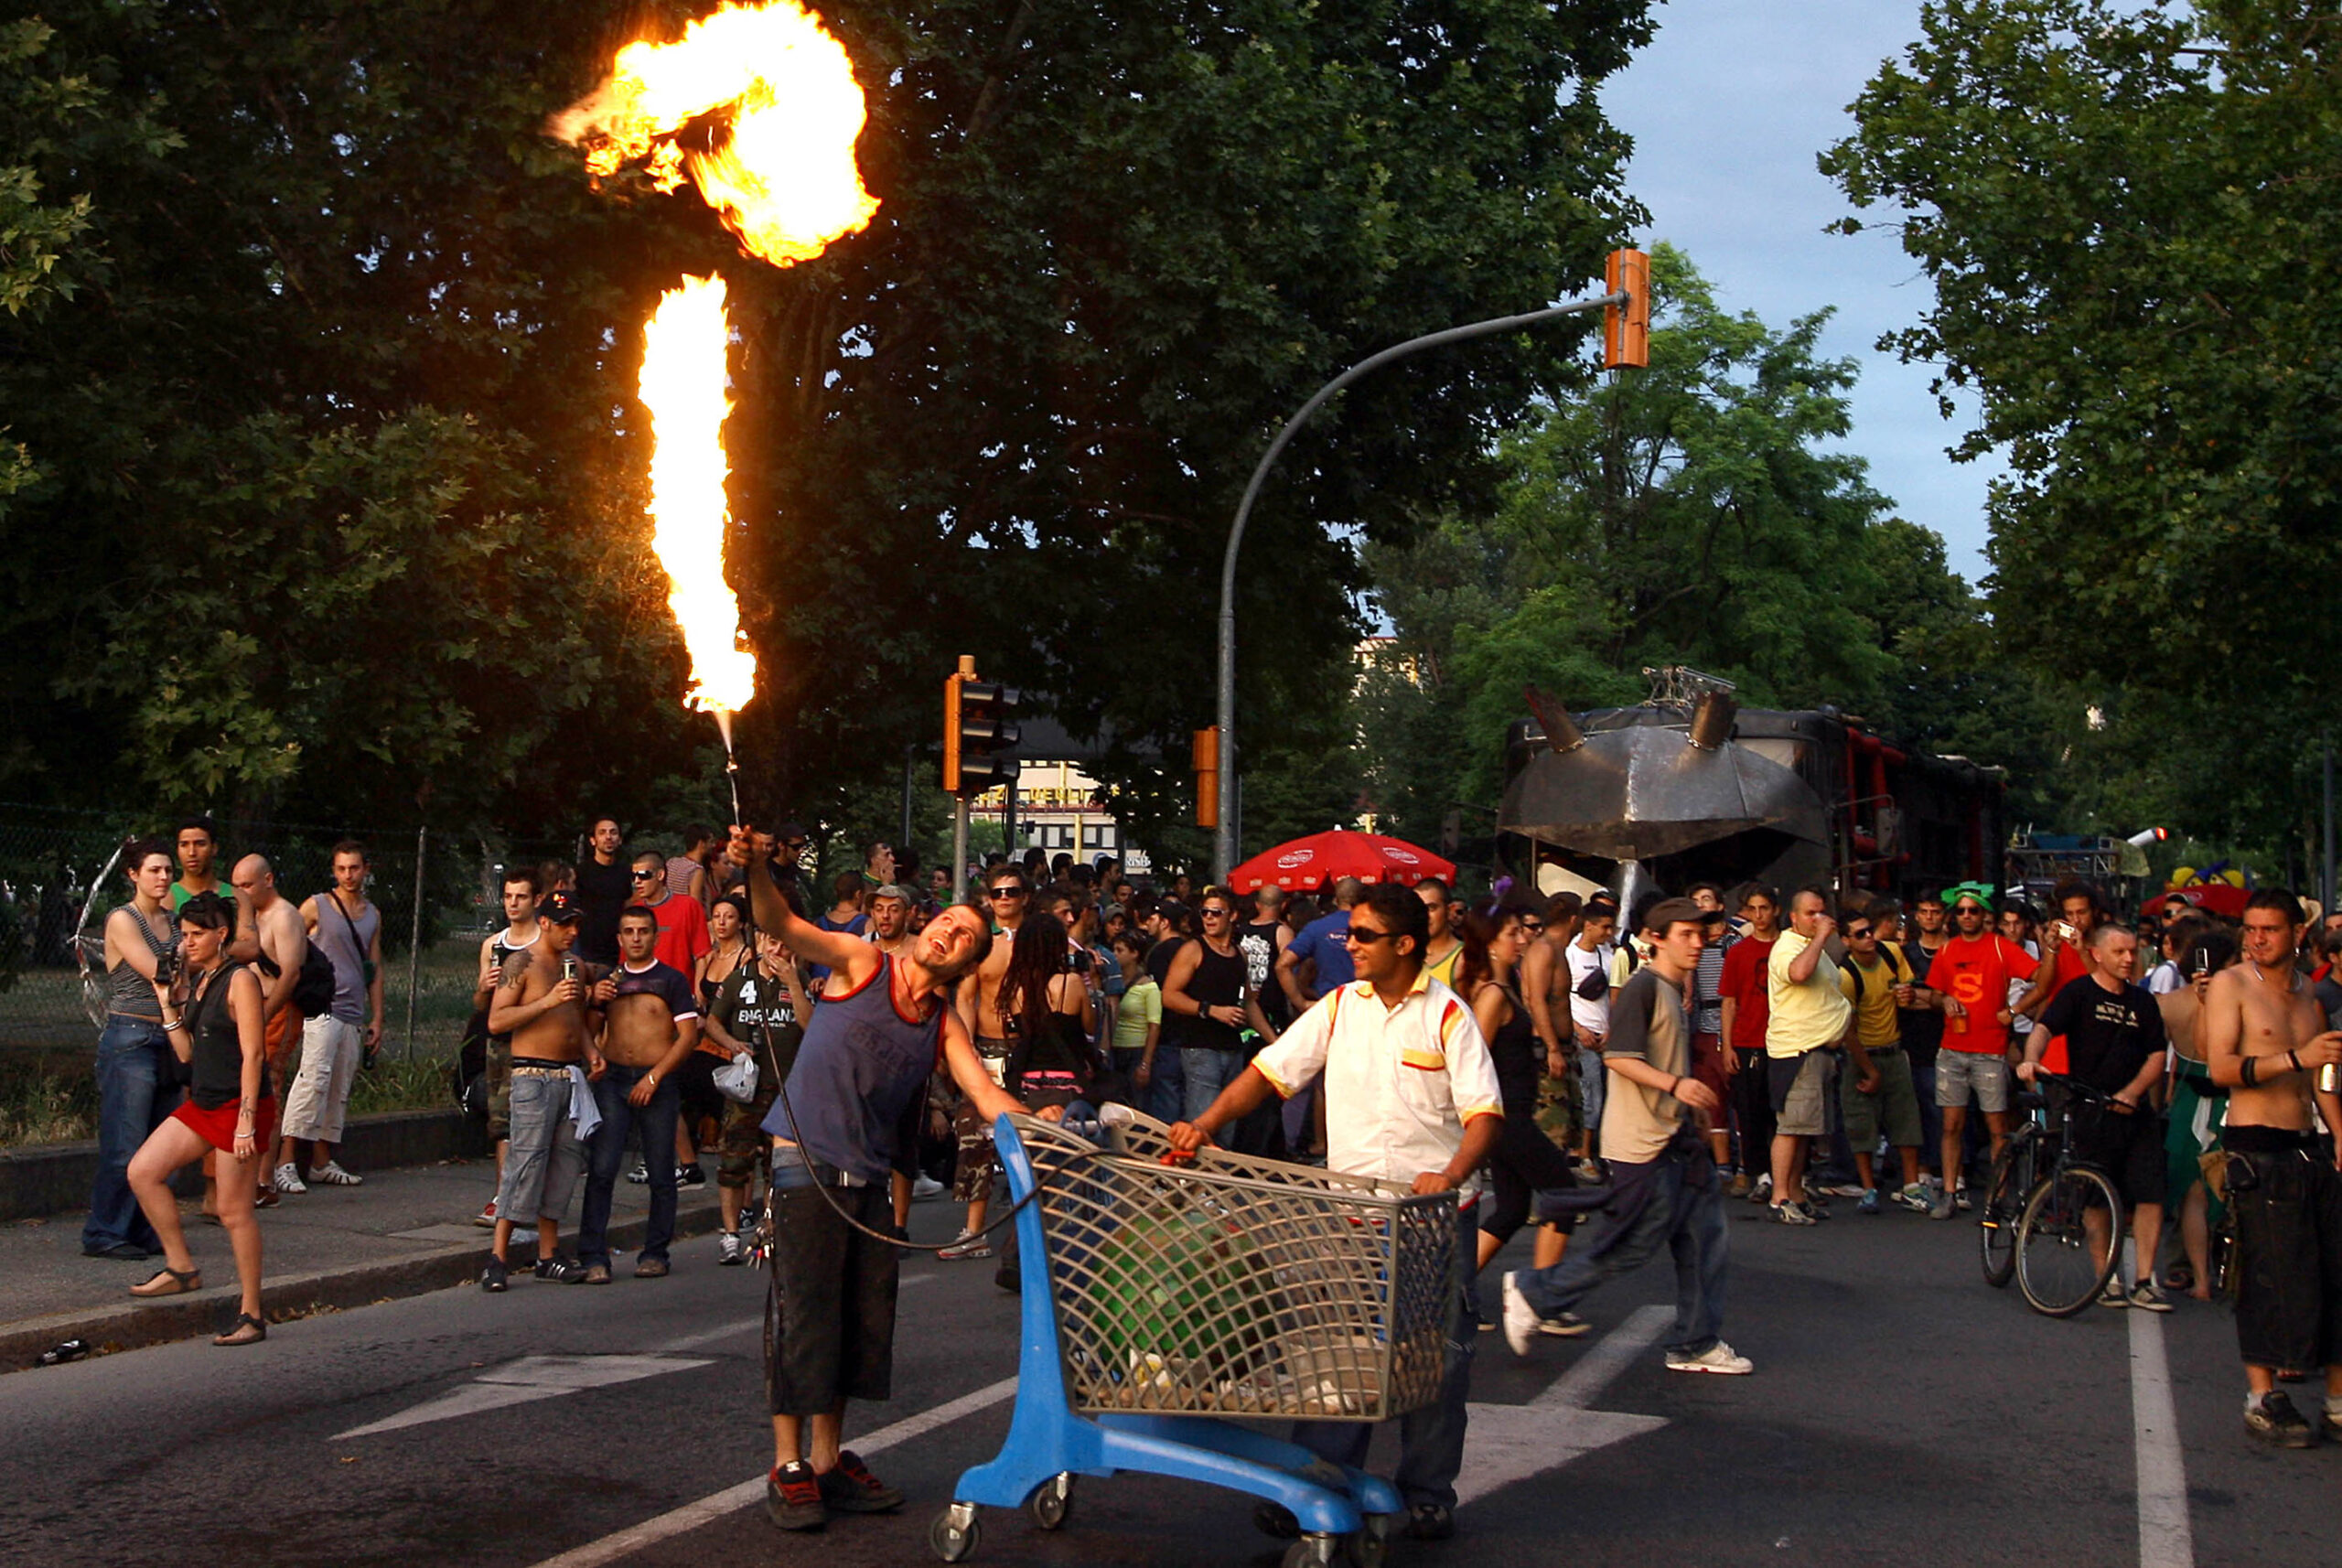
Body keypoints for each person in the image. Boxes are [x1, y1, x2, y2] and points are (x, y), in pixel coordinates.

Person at [1171, 885, 1502, 1541]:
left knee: (1436, 1357)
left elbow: (1484, 1115)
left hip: (1432, 1216)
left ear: (1403, 945)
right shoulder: (1338, 1008)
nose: (1347, 945)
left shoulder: (1448, 1017)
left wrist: (1452, 1173)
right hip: (1354, 1215)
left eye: (1362, 936)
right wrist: (1206, 1122)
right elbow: (1271, 1074)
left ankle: (1429, 1490)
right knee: (1338, 1356)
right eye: (1350, 933)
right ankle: (1316, 1481)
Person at [742, 853, 1029, 1531]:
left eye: (964, 937)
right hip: (804, 1166)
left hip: (869, 1177)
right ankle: (788, 1466)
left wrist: (1042, 1126)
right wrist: (753, 866)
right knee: (802, 1316)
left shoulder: (942, 1025)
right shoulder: (860, 962)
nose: (949, 934)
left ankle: (827, 1460)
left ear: (966, 965)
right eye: (947, 922)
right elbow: (777, 918)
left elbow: (984, 1093)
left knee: (854, 1324)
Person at [1500, 897, 1749, 1373]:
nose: (1697, 944)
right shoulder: (1644, 988)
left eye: (1701, 935)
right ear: (1656, 939)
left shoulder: (1673, 989)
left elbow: (1663, 1057)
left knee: (1705, 1240)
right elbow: (1618, 1057)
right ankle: (1536, 1292)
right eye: (1686, 935)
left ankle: (1696, 1342)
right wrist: (1677, 1085)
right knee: (1631, 1244)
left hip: (1675, 1138)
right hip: (1643, 1144)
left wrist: (1687, 1106)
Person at [2197, 888, 2342, 1446]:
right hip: (2254, 1144)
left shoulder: (2311, 997)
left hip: (2308, 1145)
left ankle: (2335, 1398)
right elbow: (2219, 1067)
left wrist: (2340, 1135)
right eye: (2250, 929)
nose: (2257, 939)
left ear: (2297, 934)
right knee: (2269, 1274)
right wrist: (2294, 1059)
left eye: (2270, 930)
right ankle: (2263, 1396)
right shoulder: (2233, 986)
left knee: (2329, 1272)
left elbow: (2320, 1077)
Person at [125, 894, 273, 1346]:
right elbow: (188, 1054)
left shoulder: (240, 980)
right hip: (205, 1103)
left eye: (196, 935)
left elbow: (255, 1053)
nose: (186, 943)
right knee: (143, 1171)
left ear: (220, 934)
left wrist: (246, 1123)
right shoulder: (204, 980)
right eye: (183, 935)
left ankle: (252, 1312)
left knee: (232, 1211)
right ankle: (181, 1266)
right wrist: (166, 1003)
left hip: (237, 1105)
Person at [2021, 923, 2173, 1310]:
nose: (2128, 959)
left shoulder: (2144, 1002)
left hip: (2136, 1114)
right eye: (2120, 952)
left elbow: (2158, 1055)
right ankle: (2107, 1277)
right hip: (2091, 1109)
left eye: (2132, 952)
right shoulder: (2078, 993)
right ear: (2099, 954)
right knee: (2096, 1197)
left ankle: (2143, 1279)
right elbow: (2044, 1028)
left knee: (2150, 1192)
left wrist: (2133, 1093)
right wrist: (2030, 1060)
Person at [1462, 906, 1579, 1307]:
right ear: (1491, 943)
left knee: (1511, 1210)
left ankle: (1447, 1290)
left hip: (1515, 1113)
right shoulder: (1493, 995)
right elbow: (1470, 1057)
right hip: (1505, 1116)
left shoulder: (1506, 985)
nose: (1523, 939)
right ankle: (1537, 1298)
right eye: (1513, 933)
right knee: (1564, 1192)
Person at [577, 906, 703, 1281]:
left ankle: (655, 1252)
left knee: (661, 1170)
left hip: (657, 1081)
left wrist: (655, 1077)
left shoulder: (672, 981)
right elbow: (588, 1028)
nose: (636, 938)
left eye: (643, 931)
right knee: (602, 1168)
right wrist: (594, 1010)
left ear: (654, 936)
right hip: (614, 1080)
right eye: (629, 931)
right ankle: (594, 1256)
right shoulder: (608, 981)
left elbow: (688, 1036)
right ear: (619, 938)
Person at [480, 891, 596, 1290]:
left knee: (563, 1166)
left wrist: (592, 1051)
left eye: (576, 924)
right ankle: (498, 1256)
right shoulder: (522, 961)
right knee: (524, 1164)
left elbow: (576, 1017)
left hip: (569, 1075)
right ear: (544, 922)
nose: (572, 932)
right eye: (564, 924)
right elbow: (497, 1020)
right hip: (532, 1074)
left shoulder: (574, 966)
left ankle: (548, 1254)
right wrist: (546, 1001)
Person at [82, 842, 182, 1260]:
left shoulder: (175, 922)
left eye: (167, 870)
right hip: (131, 1037)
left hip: (170, 1035)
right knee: (126, 1141)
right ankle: (105, 1230)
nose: (162, 877)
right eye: (154, 870)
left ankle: (145, 1228)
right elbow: (161, 973)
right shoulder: (124, 919)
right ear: (133, 874)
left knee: (163, 1143)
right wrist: (186, 971)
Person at [1924, 884, 2037, 1218]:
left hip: (1991, 1050)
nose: (1967, 916)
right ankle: (1949, 1191)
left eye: (1973, 911)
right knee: (1951, 1125)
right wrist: (1943, 999)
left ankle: (1997, 1196)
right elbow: (1931, 994)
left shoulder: (2002, 948)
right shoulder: (1946, 951)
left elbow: (2041, 977)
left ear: (1984, 914)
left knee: (1997, 1127)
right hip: (1952, 1049)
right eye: (1961, 911)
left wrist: (2015, 1011)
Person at [941, 865, 1034, 1260]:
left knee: (1032, 1139)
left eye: (1012, 891)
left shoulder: (1038, 940)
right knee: (975, 1139)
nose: (1004, 898)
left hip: (1029, 1051)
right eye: (997, 892)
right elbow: (964, 996)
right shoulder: (981, 943)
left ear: (1025, 896)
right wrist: (965, 1043)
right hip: (986, 1047)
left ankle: (1032, 1233)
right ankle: (974, 1230)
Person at [281, 840, 382, 1193]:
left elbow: (374, 966)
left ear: (365, 869)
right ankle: (285, 1160)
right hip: (322, 1007)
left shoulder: (372, 914)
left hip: (354, 1011)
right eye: (341, 868)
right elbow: (286, 937)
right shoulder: (318, 906)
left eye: (354, 868)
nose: (348, 875)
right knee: (312, 1081)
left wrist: (377, 1017)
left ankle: (322, 1160)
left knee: (338, 1087)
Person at [708, 923, 809, 1263]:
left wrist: (794, 982)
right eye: (772, 942)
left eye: (784, 944)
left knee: (778, 1165)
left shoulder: (801, 979)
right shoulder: (739, 979)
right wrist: (731, 1043)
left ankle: (770, 1229)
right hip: (747, 1090)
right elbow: (712, 1021)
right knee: (734, 1162)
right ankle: (731, 1235)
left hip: (786, 1089)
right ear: (761, 942)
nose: (777, 951)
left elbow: (811, 1025)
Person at [1765, 887, 1852, 1224]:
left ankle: (1797, 1193)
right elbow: (1798, 974)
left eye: (1821, 912)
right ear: (1794, 917)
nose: (1818, 919)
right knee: (1791, 1127)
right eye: (1810, 914)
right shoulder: (1788, 946)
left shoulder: (1814, 946)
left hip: (1820, 1049)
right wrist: (1820, 938)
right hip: (1796, 1050)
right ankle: (1779, 1197)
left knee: (1805, 1130)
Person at [225, 854, 306, 1212]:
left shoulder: (284, 915)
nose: (241, 892)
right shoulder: (248, 919)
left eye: (247, 885)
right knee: (251, 1088)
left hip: (275, 1007)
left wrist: (265, 1014)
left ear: (268, 880)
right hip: (250, 1006)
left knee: (268, 1086)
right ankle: (250, 1176)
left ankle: (265, 1179)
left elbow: (291, 973)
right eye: (236, 886)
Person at [2161, 927, 2237, 1300]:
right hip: (2220, 1095)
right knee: (2215, 1187)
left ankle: (2202, 1277)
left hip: (2191, 1098)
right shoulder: (2232, 1000)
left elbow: (2158, 1058)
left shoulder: (2169, 1003)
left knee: (2195, 1191)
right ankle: (2208, 1275)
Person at [1836, 908, 1925, 1214]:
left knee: (1906, 1118)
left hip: (1893, 1048)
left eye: (1870, 930)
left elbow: (1908, 988)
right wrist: (1870, 1071)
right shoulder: (1846, 976)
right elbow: (1847, 1031)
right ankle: (1868, 1188)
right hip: (1862, 1053)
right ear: (1846, 940)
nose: (1869, 937)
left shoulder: (1891, 952)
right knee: (1861, 1123)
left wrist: (1909, 997)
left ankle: (1912, 1186)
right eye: (1859, 934)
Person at [468, 867, 543, 1228]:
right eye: (509, 897)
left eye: (521, 897)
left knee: (533, 1124)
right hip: (499, 1043)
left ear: (536, 900)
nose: (513, 904)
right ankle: (503, 1195)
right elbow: (480, 1006)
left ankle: (531, 1200)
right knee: (502, 1123)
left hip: (537, 1041)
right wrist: (483, 986)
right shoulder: (493, 945)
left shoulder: (544, 943)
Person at [1161, 886, 1275, 1121]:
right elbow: (1169, 995)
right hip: (1201, 1046)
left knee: (1227, 1120)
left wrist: (1274, 1041)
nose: (1209, 918)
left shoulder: (1239, 954)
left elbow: (1248, 1002)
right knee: (1203, 1118)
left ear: (1232, 916)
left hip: (1232, 1047)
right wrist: (1210, 1010)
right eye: (1205, 912)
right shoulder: (1193, 949)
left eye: (1216, 913)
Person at [1898, 888, 1951, 1183]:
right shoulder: (1905, 953)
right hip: (1912, 1039)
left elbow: (1954, 998)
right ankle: (1923, 1169)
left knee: (1946, 1109)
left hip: (1949, 1038)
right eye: (1924, 912)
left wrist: (1928, 997)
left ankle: (1950, 1169)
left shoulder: (1954, 950)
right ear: (1917, 916)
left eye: (1935, 911)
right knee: (1915, 1107)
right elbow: (1899, 996)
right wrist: (1935, 998)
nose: (1930, 917)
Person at [1564, 897, 1620, 1155]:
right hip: (1582, 1034)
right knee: (1591, 1096)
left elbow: (1614, 995)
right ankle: (1585, 1151)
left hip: (1605, 1033)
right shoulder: (1569, 954)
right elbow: (1560, 999)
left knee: (1609, 1096)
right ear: (1588, 925)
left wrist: (1611, 1028)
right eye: (1605, 927)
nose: (1608, 933)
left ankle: (1602, 1150)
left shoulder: (1608, 955)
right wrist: (1578, 1029)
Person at [633, 848, 712, 977]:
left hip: (681, 990)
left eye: (643, 875)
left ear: (660, 875)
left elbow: (702, 955)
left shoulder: (688, 906)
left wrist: (698, 995)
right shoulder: (634, 912)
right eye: (634, 876)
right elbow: (626, 961)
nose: (637, 881)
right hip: (644, 989)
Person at [574, 816, 632, 968]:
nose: (608, 837)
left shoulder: (626, 872)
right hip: (586, 951)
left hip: (618, 950)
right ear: (593, 840)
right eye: (602, 832)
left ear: (619, 839)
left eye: (613, 832)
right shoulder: (580, 873)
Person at [1416, 879, 1463, 989]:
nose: (1425, 915)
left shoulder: (1465, 959)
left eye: (1431, 908)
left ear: (1449, 910)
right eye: (1419, 909)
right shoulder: (1406, 956)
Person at [668, 824, 717, 910]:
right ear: (701, 844)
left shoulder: (671, 862)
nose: (713, 845)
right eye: (711, 842)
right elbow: (695, 905)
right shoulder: (696, 870)